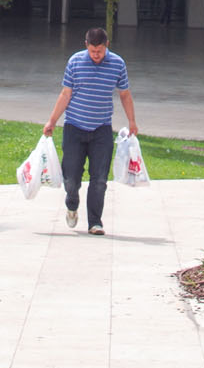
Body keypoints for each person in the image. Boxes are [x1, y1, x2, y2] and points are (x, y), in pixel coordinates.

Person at [43, 27, 138, 235]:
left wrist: (132, 121)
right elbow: (65, 94)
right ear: (86, 45)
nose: (96, 55)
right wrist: (52, 121)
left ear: (107, 46)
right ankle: (72, 203)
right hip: (74, 127)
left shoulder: (117, 64)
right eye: (93, 51)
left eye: (100, 51)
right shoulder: (75, 62)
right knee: (71, 177)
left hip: (101, 129)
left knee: (100, 179)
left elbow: (124, 94)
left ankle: (95, 222)